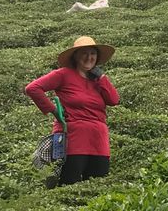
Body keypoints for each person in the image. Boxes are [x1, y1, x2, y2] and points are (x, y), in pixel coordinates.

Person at [25, 36, 120, 188]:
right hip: (72, 139)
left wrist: (101, 76)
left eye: (93, 54)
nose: (89, 57)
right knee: (68, 183)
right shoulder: (63, 74)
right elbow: (32, 88)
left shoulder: (98, 80)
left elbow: (114, 100)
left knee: (98, 186)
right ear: (75, 56)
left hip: (98, 140)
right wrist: (54, 110)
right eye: (84, 53)